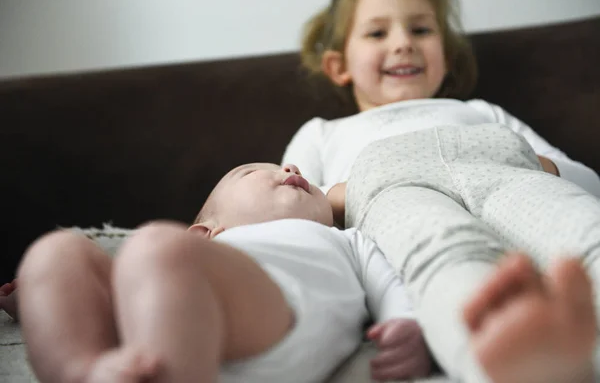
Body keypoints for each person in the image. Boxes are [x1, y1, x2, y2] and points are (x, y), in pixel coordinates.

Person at [282, 0, 600, 381]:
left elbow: (587, 181)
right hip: (392, 188)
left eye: (421, 30)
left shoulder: (480, 111)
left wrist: (523, 161)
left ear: (447, 58)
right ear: (339, 66)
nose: (403, 44)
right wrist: (345, 193)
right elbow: (283, 208)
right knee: (445, 258)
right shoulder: (323, 133)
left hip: (500, 167)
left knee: (581, 225)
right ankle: (506, 363)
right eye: (377, 33)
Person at [2, 163, 433, 383]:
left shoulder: (347, 239)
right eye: (253, 171)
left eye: (300, 173)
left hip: (274, 316)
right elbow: (134, 287)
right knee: (56, 252)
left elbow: (388, 281)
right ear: (208, 232)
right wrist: (53, 298)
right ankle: (85, 368)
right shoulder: (189, 256)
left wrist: (405, 322)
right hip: (165, 331)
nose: (292, 171)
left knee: (153, 247)